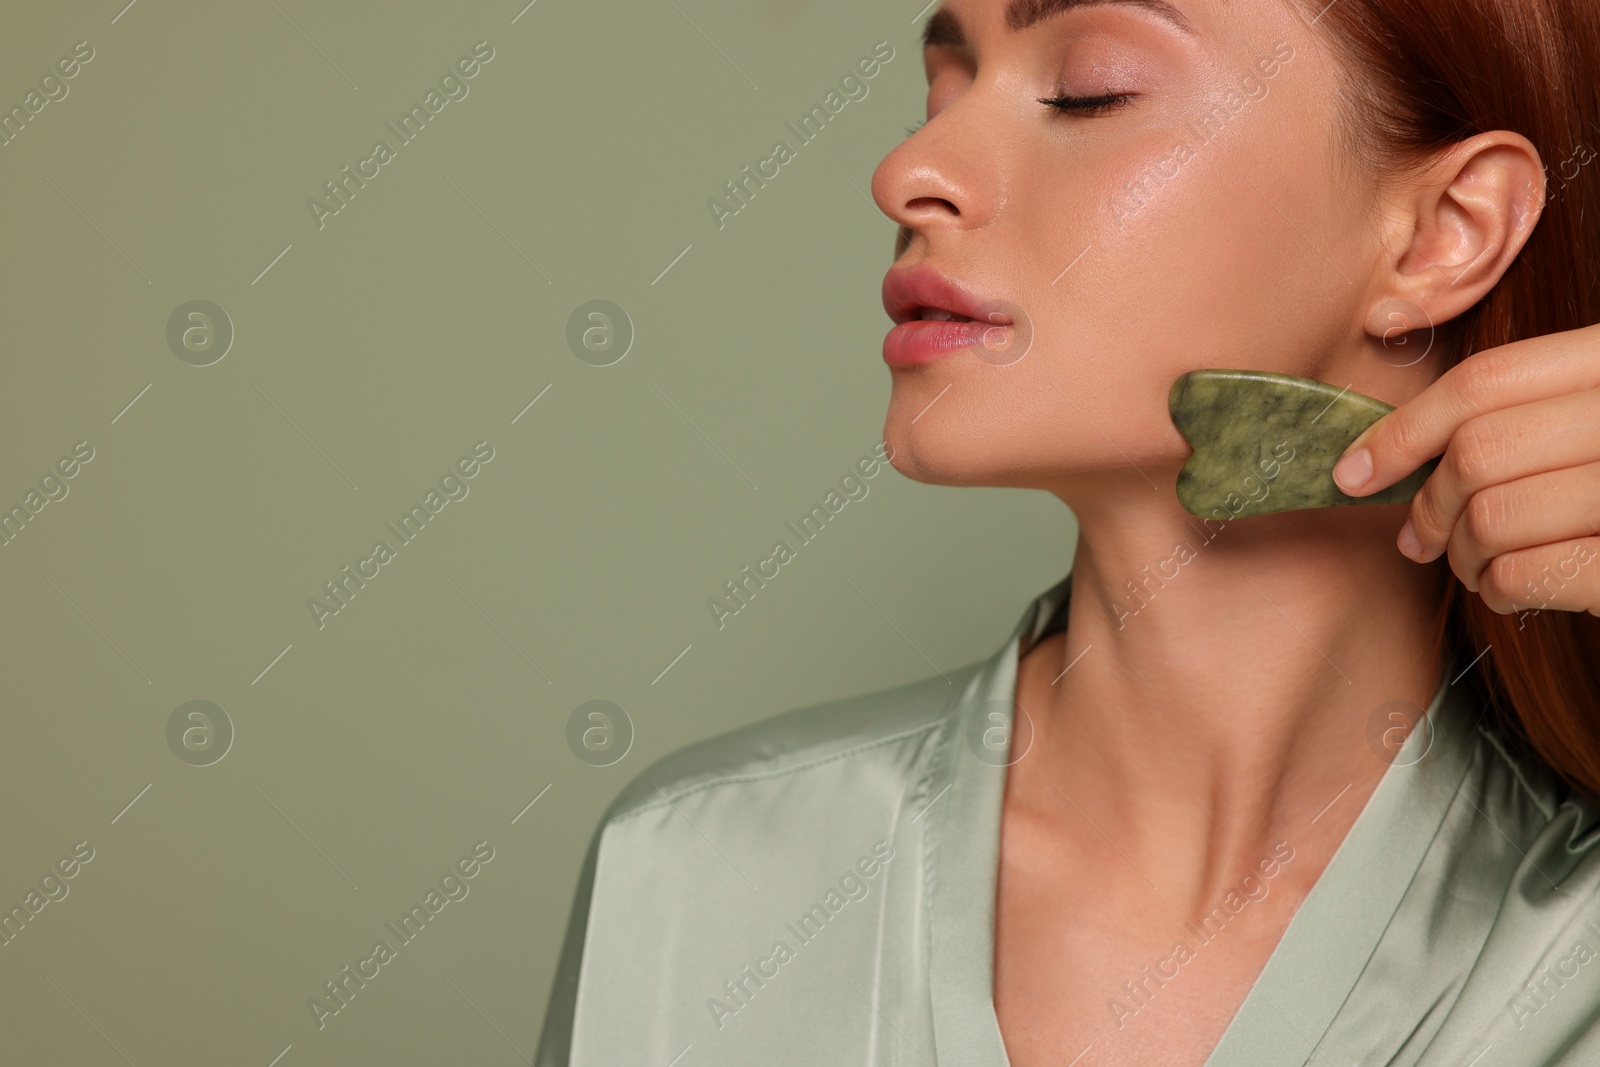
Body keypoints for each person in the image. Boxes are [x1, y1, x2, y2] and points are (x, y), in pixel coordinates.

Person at [535, 0, 1600, 1064]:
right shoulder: (695, 878)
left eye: (1088, 89)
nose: (908, 168)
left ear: (1443, 232)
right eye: (942, 86)